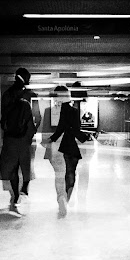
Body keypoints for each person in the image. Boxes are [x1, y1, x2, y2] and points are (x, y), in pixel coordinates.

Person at [45, 85, 89, 217]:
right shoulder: (73, 111)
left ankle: (62, 199)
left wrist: (50, 140)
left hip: (58, 147)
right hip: (70, 146)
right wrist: (86, 138)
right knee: (70, 173)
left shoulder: (51, 110)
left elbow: (59, 129)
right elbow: (75, 130)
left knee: (60, 175)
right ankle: (66, 198)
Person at [0, 67, 37, 214]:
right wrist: (30, 136)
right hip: (24, 138)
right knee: (25, 166)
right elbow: (33, 120)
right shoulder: (28, 95)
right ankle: (24, 190)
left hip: (10, 138)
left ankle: (15, 196)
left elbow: (3, 119)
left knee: (13, 168)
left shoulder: (7, 94)